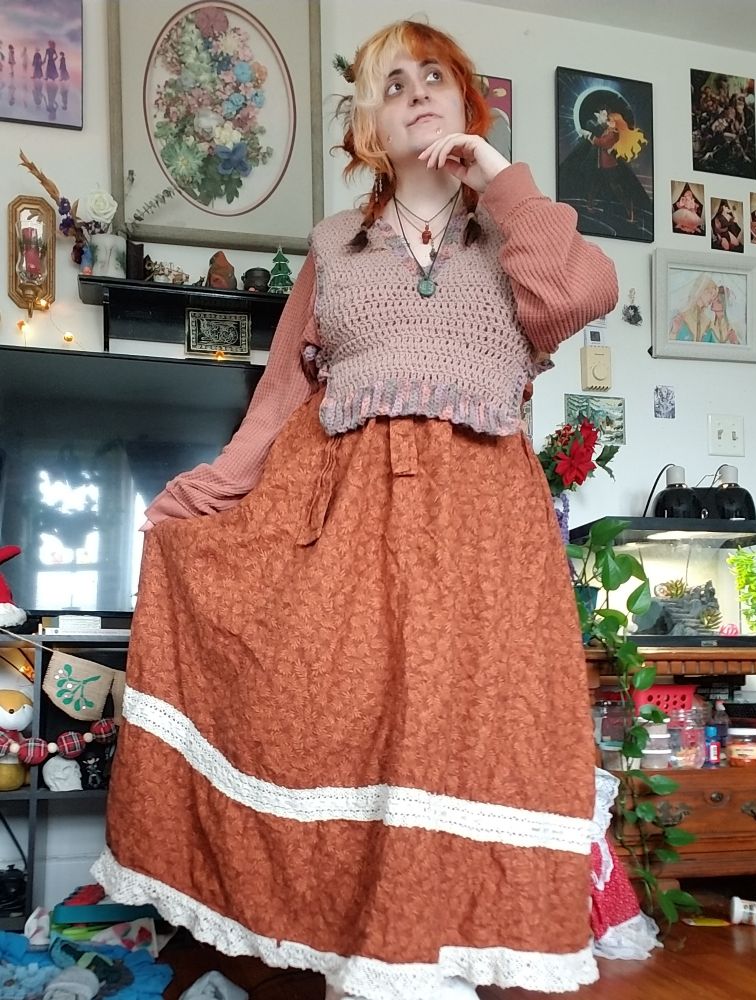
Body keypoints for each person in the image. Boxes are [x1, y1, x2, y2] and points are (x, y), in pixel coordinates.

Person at [93, 19, 621, 1000]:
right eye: (391, 85)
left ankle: (421, 963)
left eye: (434, 79)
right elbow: (279, 404)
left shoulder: (516, 230)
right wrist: (207, 498)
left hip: (482, 541)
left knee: (462, 742)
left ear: (466, 105)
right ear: (368, 127)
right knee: (347, 734)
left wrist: (501, 177)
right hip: (348, 527)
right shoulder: (335, 244)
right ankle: (364, 965)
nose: (415, 93)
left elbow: (583, 292)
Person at [670, 273, 718, 342]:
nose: (712, 298)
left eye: (714, 296)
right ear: (702, 290)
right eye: (711, 293)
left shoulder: (708, 322)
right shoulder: (680, 315)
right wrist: (674, 332)